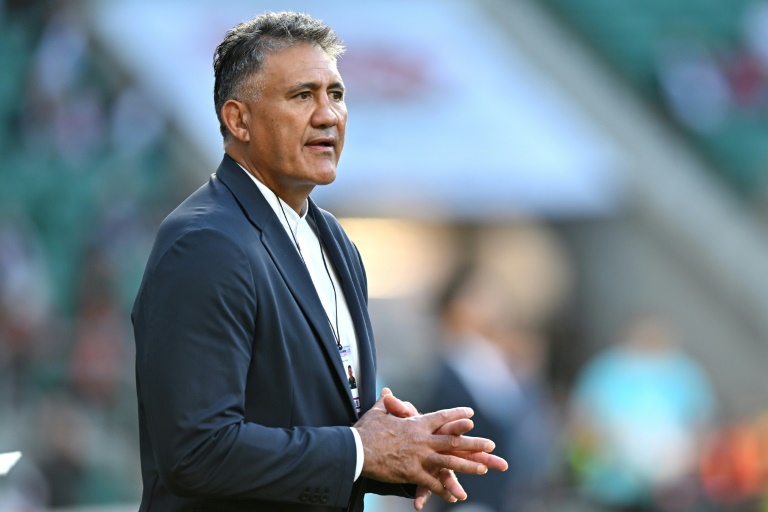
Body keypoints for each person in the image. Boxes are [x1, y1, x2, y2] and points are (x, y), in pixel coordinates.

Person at [131, 11, 507, 512]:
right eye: (302, 95)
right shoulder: (204, 242)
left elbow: (322, 433)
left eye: (336, 94)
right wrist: (361, 449)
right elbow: (197, 451)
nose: (329, 115)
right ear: (238, 120)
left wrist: (404, 451)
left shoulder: (336, 241)